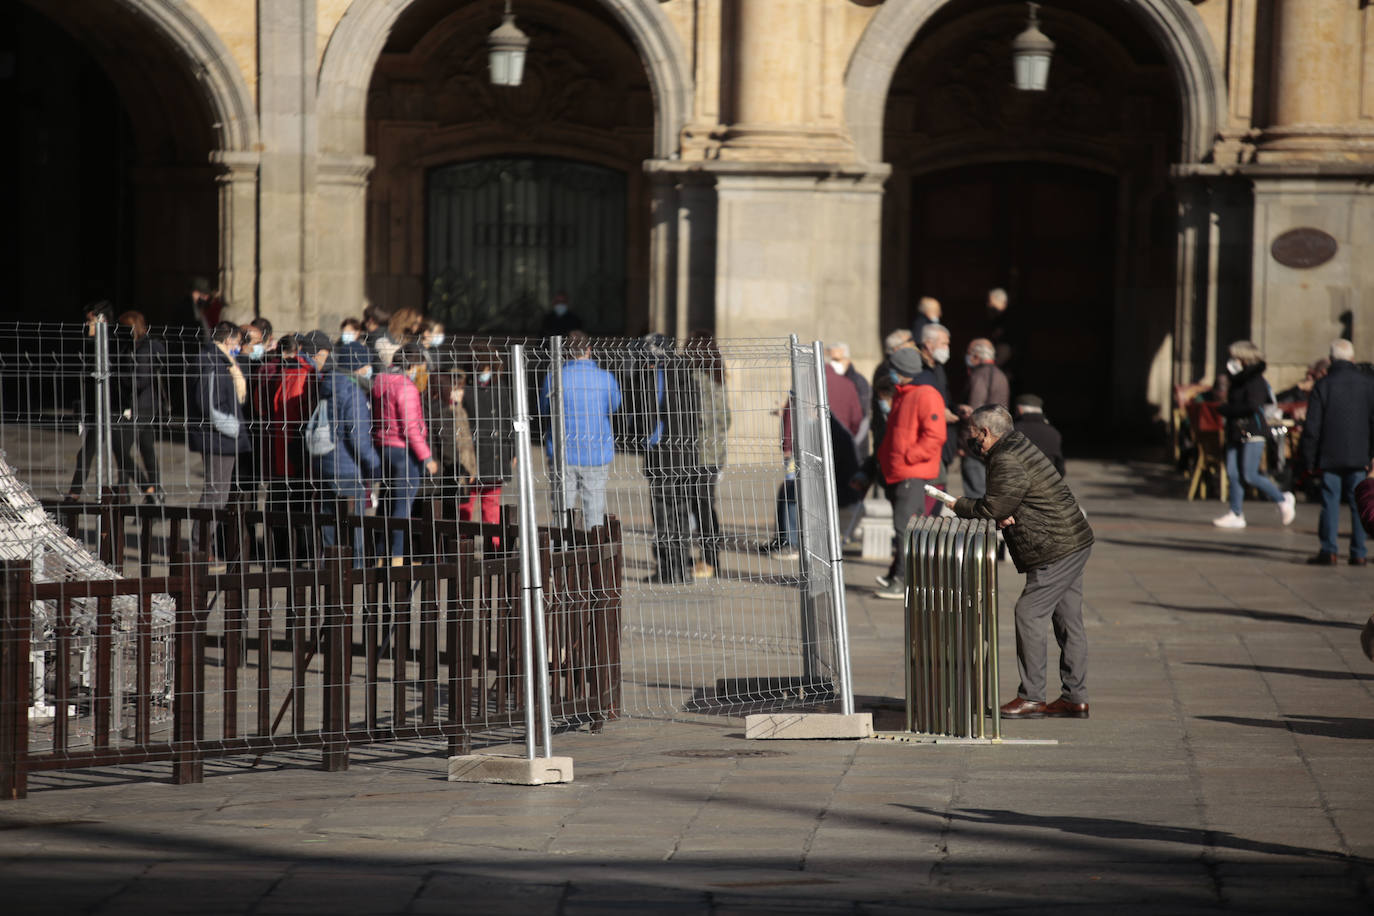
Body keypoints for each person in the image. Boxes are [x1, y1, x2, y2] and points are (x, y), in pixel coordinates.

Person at [953, 405, 1094, 719]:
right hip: (1071, 539)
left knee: (1029, 613)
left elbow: (994, 507)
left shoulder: (1006, 457)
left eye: (972, 433)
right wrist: (1004, 510)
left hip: (1054, 546)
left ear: (985, 433)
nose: (970, 440)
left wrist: (958, 504)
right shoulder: (1016, 445)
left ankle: (1032, 697)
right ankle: (1075, 697)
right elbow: (1015, 498)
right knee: (1068, 620)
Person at [864, 347, 946, 600]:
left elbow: (935, 435)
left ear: (901, 370)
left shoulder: (924, 395)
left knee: (905, 528)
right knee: (905, 528)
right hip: (900, 472)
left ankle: (903, 580)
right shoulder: (904, 394)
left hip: (911, 472)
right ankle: (899, 576)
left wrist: (909, 457)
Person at [1300, 338, 1374, 565]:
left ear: (1331, 359)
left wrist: (1309, 459)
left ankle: (1329, 550)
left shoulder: (1323, 385)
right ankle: (1359, 552)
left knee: (1330, 501)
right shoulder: (1368, 383)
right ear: (1352, 358)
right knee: (1359, 501)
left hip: (1330, 454)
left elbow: (1312, 426)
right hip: (1360, 454)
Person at [539, 330, 621, 532]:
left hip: (563, 451)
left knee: (561, 511)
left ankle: (560, 549)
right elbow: (614, 406)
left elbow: (544, 409)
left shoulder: (555, 377)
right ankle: (594, 549)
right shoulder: (605, 378)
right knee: (594, 513)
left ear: (566, 352)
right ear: (589, 350)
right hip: (596, 451)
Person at [1212, 340, 1295, 530]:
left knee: (1249, 474)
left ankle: (1282, 498)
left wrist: (1227, 410)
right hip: (1235, 431)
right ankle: (1236, 512)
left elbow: (1252, 405)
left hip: (1252, 430)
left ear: (1244, 358)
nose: (1232, 361)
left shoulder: (1256, 380)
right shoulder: (1236, 380)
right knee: (1233, 473)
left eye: (1235, 357)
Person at [313, 341, 381, 565]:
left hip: (324, 462)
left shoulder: (327, 385)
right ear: (358, 366)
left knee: (329, 521)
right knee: (354, 525)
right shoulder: (353, 392)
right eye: (367, 364)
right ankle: (355, 568)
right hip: (347, 468)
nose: (369, 369)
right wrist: (374, 464)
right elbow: (358, 437)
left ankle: (329, 567)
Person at [639, 334, 700, 583]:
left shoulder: (657, 375)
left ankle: (668, 569)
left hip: (663, 455)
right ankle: (680, 568)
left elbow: (649, 412)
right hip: (683, 455)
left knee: (664, 514)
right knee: (680, 513)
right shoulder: (686, 374)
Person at [188, 321, 251, 555]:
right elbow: (208, 402)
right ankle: (200, 547)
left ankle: (204, 545)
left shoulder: (220, 360)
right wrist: (233, 426)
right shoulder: (212, 361)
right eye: (238, 342)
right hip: (218, 437)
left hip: (222, 436)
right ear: (228, 340)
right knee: (215, 493)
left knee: (219, 493)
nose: (239, 347)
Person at [373, 343, 437, 564]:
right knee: (402, 507)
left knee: (385, 504)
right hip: (404, 452)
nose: (423, 373)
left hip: (384, 448)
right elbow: (410, 427)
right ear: (413, 365)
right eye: (422, 367)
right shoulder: (406, 387)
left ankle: (379, 555)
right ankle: (397, 557)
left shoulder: (381, 381)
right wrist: (426, 457)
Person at [64, 301, 121, 502]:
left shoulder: (110, 341)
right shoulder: (97, 340)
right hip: (96, 407)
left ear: (102, 320)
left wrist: (91, 338)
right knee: (119, 455)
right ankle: (144, 491)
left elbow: (96, 362)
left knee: (98, 453)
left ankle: (73, 496)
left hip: (109, 407)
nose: (87, 325)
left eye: (90, 321)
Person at [113, 311, 167, 505]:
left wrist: (117, 377)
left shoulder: (144, 349)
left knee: (121, 448)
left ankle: (147, 488)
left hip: (141, 405)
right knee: (146, 447)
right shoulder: (131, 346)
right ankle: (151, 491)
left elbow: (140, 380)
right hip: (141, 404)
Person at [688, 331, 730, 579]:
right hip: (717, 453)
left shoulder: (695, 379)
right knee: (705, 505)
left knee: (701, 507)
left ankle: (709, 559)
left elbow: (700, 418)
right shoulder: (718, 377)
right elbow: (727, 418)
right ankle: (710, 557)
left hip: (699, 453)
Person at [461, 345, 516, 536]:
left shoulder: (499, 387)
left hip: (495, 454)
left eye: (488, 367)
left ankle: (493, 547)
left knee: (491, 507)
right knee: (465, 505)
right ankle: (461, 545)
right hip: (471, 456)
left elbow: (508, 420)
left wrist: (513, 451)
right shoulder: (464, 388)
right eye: (483, 367)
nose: (486, 372)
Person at [957, 337, 1011, 499]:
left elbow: (974, 412)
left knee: (976, 494)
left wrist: (963, 442)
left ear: (976, 356)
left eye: (968, 353)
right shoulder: (1001, 375)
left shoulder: (979, 375)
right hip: (997, 440)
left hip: (977, 443)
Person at [1013, 394, 1064, 478]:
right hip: (1047, 481)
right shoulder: (1053, 432)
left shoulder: (1013, 431)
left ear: (1019, 409)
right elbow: (1060, 468)